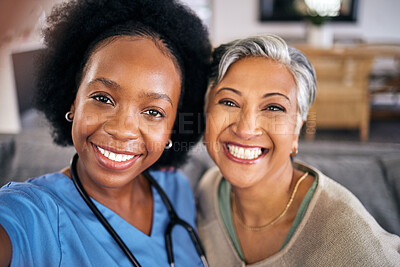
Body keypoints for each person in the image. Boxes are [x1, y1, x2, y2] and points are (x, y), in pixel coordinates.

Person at [0, 0, 211, 266]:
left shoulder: (177, 189)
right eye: (103, 98)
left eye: (154, 112)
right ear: (73, 100)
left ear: (172, 127)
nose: (122, 130)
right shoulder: (30, 213)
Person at [196, 34, 400, 266]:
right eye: (229, 102)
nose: (246, 129)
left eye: (274, 107)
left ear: (296, 131)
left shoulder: (349, 239)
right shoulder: (208, 191)